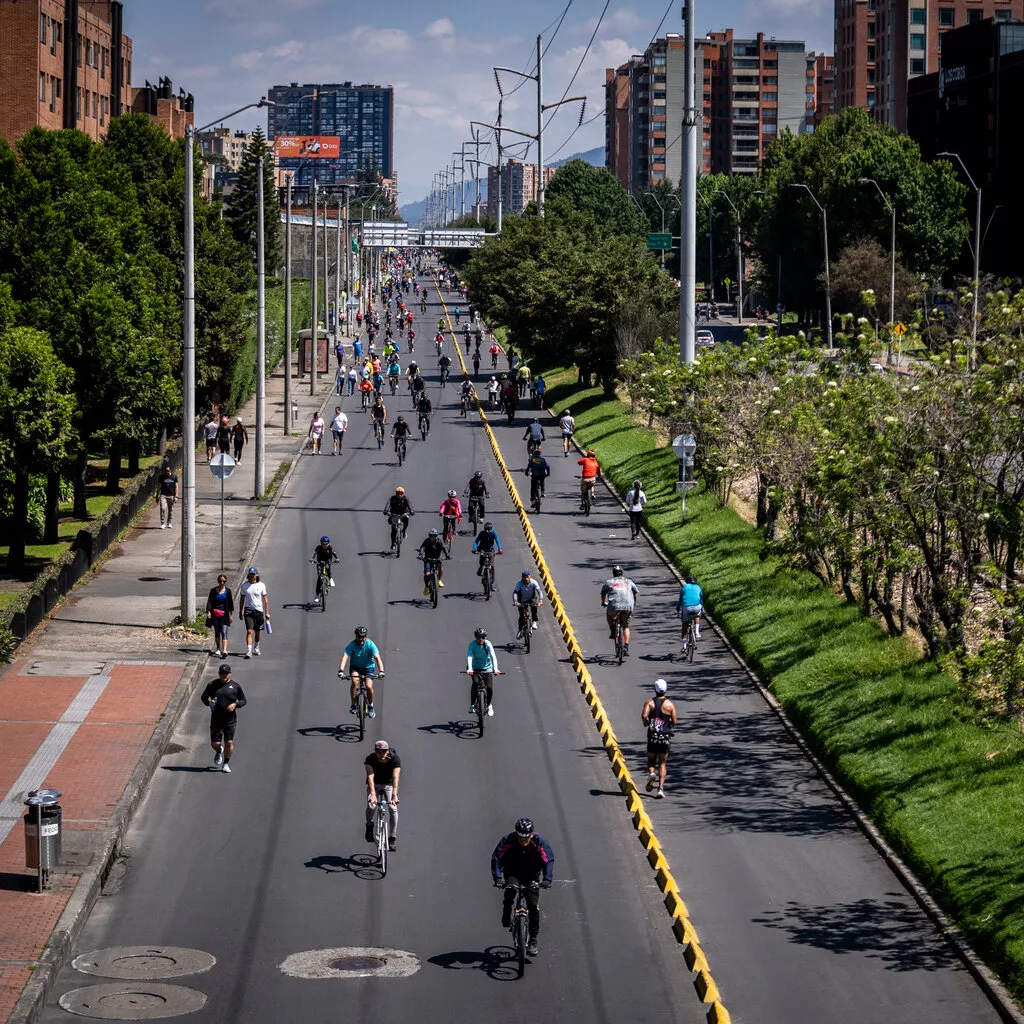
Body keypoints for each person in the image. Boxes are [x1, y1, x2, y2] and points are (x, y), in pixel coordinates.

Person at [491, 818, 554, 957]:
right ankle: (506, 912)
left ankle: (532, 940)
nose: (524, 841)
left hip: (531, 876)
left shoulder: (539, 842)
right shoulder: (508, 840)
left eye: (527, 837)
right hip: (512, 872)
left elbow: (548, 860)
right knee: (510, 890)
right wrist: (498, 879)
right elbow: (497, 858)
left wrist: (547, 879)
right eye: (521, 837)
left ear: (532, 834)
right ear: (516, 834)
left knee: (533, 907)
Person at [201, 662, 247, 773]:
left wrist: (235, 704)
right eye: (222, 673)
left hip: (230, 720)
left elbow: (243, 700)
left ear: (230, 674)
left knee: (229, 742)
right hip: (216, 719)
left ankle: (226, 763)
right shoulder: (212, 685)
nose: (224, 675)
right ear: (218, 673)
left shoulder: (235, 686)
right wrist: (209, 703)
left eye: (226, 673)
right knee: (215, 744)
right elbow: (203, 698)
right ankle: (219, 750)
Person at [339, 625, 385, 719]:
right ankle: (353, 705)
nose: (361, 639)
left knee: (368, 686)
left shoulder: (370, 644)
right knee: (355, 682)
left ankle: (371, 706)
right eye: (359, 637)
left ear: (366, 637)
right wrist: (341, 671)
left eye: (363, 637)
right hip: (355, 667)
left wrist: (381, 671)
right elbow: (345, 657)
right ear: (356, 636)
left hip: (368, 668)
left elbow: (377, 658)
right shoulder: (351, 645)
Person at [642, 679, 676, 799]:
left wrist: (646, 723)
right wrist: (668, 722)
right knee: (662, 763)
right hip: (664, 737)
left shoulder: (649, 703)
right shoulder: (670, 705)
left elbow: (644, 716)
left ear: (655, 689)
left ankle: (651, 773)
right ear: (665, 689)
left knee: (651, 760)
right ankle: (660, 789)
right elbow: (674, 721)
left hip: (652, 737)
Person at [365, 739, 400, 849]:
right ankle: (369, 825)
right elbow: (370, 777)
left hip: (388, 785)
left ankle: (392, 838)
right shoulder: (370, 759)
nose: (380, 755)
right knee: (372, 805)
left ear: (388, 751)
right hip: (375, 784)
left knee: (393, 809)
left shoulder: (395, 759)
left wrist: (394, 795)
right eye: (378, 752)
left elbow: (395, 777)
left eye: (383, 752)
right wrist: (373, 794)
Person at [600, 565, 638, 656]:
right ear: (622, 573)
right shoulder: (629, 581)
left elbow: (603, 594)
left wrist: (603, 602)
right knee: (626, 626)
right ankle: (626, 646)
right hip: (627, 606)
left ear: (613, 574)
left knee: (609, 616)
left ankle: (613, 631)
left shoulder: (609, 582)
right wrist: (634, 603)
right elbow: (635, 592)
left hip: (614, 606)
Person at [465, 626, 501, 716]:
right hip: (475, 668)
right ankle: (472, 705)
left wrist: (495, 669)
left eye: (483, 637)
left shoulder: (488, 644)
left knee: (489, 688)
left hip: (487, 669)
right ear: (475, 637)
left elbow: (493, 656)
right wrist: (470, 668)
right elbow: (469, 656)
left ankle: (489, 705)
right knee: (475, 682)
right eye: (479, 637)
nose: (481, 639)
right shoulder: (472, 645)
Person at [239, 565, 270, 659]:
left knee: (257, 631)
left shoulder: (261, 585)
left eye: (253, 574)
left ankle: (256, 647)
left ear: (256, 575)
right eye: (250, 574)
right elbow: (242, 599)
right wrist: (240, 611)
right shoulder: (244, 586)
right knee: (249, 631)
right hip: (248, 610)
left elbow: (265, 600)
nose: (252, 576)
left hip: (259, 611)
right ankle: (249, 651)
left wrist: (267, 612)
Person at [205, 573, 233, 658]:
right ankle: (218, 648)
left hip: (224, 614)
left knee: (224, 631)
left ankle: (224, 650)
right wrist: (209, 612)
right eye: (220, 581)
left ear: (226, 581)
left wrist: (230, 615)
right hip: (215, 613)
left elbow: (230, 604)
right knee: (217, 631)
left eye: (224, 581)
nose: (222, 583)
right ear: (218, 581)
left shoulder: (228, 591)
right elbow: (209, 602)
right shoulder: (213, 591)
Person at [472, 521, 503, 591]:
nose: (488, 532)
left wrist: (500, 549)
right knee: (482, 559)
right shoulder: (482, 533)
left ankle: (491, 583)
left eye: (489, 530)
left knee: (492, 566)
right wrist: (474, 549)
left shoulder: (493, 533)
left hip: (490, 550)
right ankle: (481, 567)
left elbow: (497, 540)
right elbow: (476, 541)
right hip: (483, 549)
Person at [676, 575, 704, 653]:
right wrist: (702, 607)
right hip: (697, 606)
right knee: (697, 615)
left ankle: (684, 646)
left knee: (684, 625)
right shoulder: (698, 587)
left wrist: (678, 607)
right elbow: (701, 598)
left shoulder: (684, 587)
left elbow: (680, 599)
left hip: (686, 607)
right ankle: (697, 632)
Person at [417, 527, 448, 594]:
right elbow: (422, 548)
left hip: (437, 558)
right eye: (431, 536)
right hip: (428, 559)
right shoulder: (426, 541)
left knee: (441, 566)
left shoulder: (440, 541)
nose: (432, 537)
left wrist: (447, 555)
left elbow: (444, 548)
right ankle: (426, 587)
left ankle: (439, 580)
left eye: (434, 536)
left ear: (436, 536)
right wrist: (420, 554)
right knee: (427, 574)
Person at [512, 570, 543, 636]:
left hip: (531, 598)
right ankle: (520, 630)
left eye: (527, 577)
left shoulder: (533, 582)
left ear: (529, 577)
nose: (526, 579)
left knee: (534, 607)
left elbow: (539, 591)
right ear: (522, 577)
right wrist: (516, 602)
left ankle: (534, 621)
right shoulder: (519, 583)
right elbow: (515, 593)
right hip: (522, 600)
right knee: (521, 616)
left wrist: (540, 601)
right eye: (524, 577)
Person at [309, 535, 339, 601]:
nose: (325, 545)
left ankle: (330, 579)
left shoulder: (330, 548)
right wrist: (312, 559)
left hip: (328, 561)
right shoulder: (318, 548)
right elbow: (314, 554)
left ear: (328, 543)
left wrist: (337, 559)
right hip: (320, 562)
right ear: (321, 543)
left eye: (326, 544)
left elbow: (334, 553)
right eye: (323, 544)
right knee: (319, 578)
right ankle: (317, 595)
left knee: (328, 569)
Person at [157, 462, 178, 530]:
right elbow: (159, 487)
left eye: (168, 471)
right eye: (166, 471)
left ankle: (169, 522)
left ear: (171, 470)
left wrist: (176, 496)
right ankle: (162, 523)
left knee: (170, 510)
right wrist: (157, 495)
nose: (167, 472)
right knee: (163, 508)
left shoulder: (174, 477)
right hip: (163, 495)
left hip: (171, 495)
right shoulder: (161, 477)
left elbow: (176, 487)